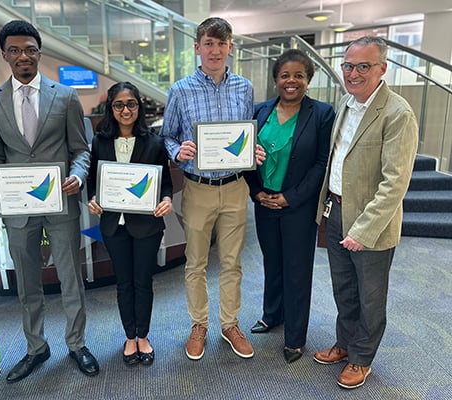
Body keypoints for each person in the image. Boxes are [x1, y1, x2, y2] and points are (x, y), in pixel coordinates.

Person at [0, 20, 99, 381]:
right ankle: (36, 348)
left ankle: (76, 344)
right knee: (27, 282)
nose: (23, 56)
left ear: (39, 52)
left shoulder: (65, 96)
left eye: (29, 49)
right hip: (18, 208)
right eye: (14, 50)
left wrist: (78, 174)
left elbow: (80, 149)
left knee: (70, 278)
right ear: (5, 55)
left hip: (59, 202)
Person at [313, 36, 418, 389]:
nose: (353, 73)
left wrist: (363, 229)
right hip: (337, 209)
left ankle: (362, 358)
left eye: (363, 66)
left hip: (370, 222)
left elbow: (395, 182)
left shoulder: (397, 113)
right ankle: (345, 345)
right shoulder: (346, 103)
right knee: (344, 289)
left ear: (382, 68)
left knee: (370, 295)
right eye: (348, 65)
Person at [160, 17, 255, 360]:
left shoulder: (244, 87)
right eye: (208, 44)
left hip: (234, 187)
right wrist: (176, 150)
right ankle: (198, 324)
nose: (215, 50)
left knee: (232, 262)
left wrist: (253, 149)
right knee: (196, 262)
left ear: (231, 47)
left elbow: (246, 136)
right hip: (197, 187)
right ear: (197, 48)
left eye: (221, 43)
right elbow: (167, 135)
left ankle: (230, 324)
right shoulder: (180, 90)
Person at [244, 49, 334, 363]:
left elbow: (322, 164)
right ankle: (272, 314)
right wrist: (256, 193)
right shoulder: (259, 111)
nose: (291, 81)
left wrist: (291, 197)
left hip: (297, 205)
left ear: (308, 79)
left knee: (297, 270)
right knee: (272, 261)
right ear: (276, 80)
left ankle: (295, 337)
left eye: (298, 75)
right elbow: (245, 158)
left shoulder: (322, 114)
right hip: (264, 201)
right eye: (285, 75)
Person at [87, 82, 173, 366]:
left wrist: (167, 199)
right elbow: (92, 183)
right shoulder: (99, 142)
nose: (126, 110)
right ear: (111, 109)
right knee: (124, 283)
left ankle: (143, 335)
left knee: (143, 281)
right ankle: (129, 336)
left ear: (139, 107)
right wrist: (93, 198)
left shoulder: (155, 142)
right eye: (119, 105)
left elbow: (165, 184)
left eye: (131, 104)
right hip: (114, 225)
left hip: (146, 224)